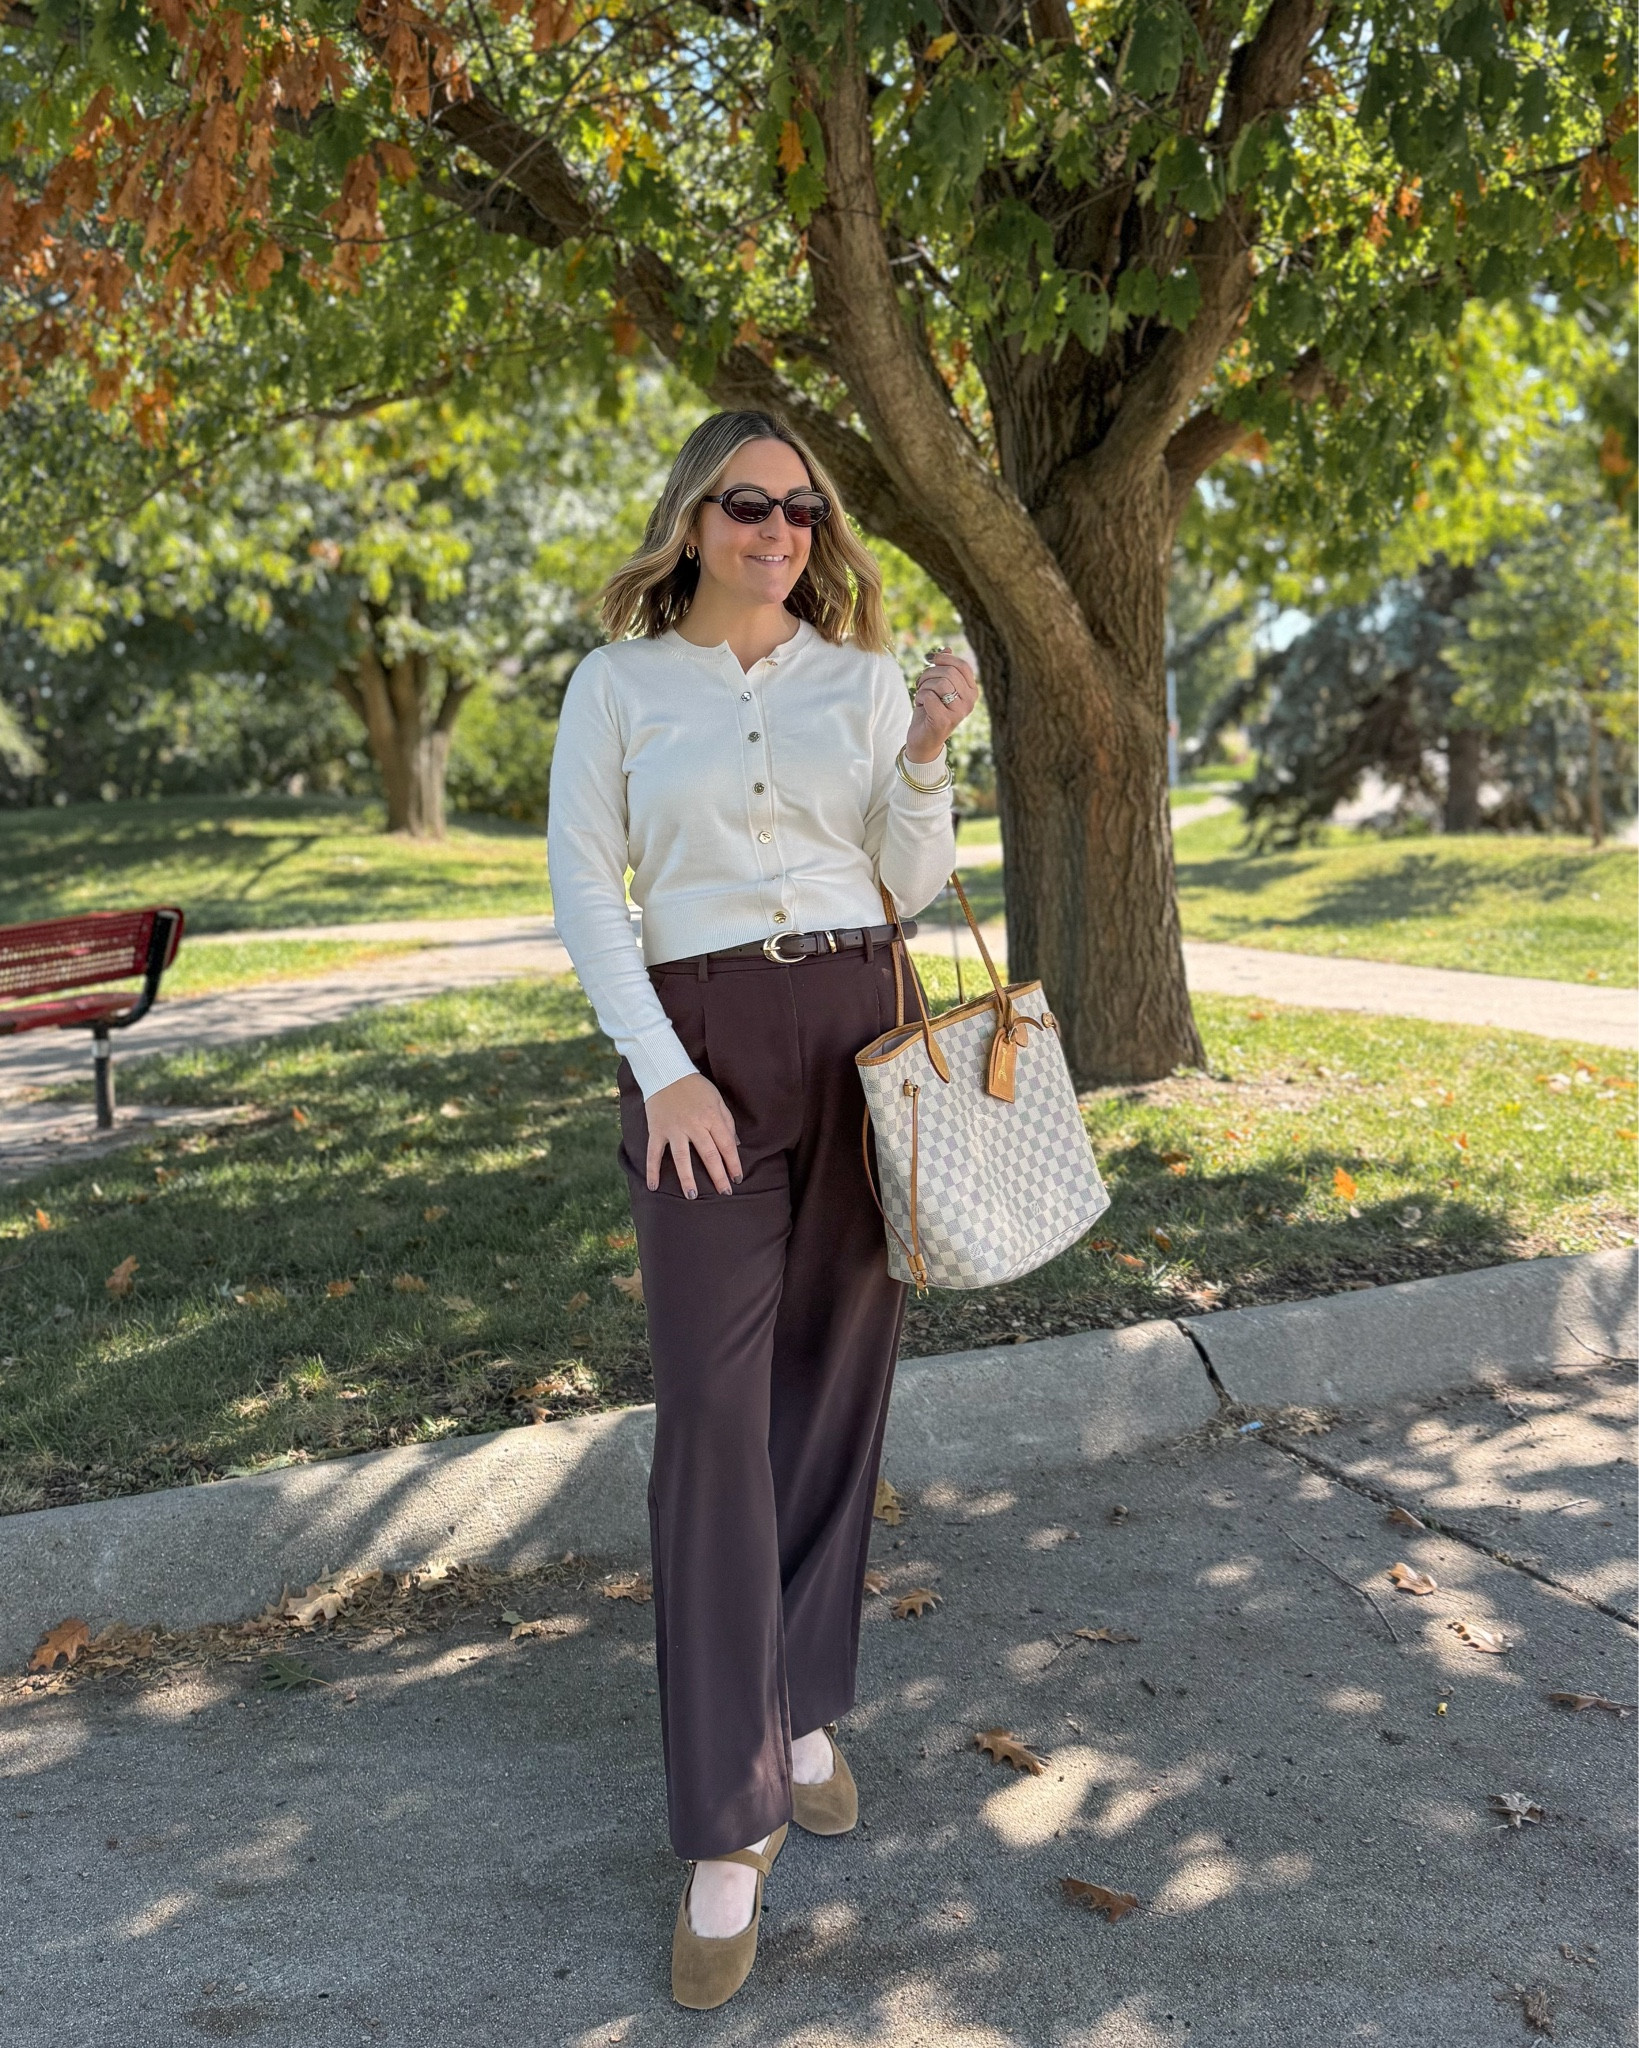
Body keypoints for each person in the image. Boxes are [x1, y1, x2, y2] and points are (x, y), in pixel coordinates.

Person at [546, 408, 978, 2009]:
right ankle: (728, 1833)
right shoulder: (617, 685)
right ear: (694, 516)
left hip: (861, 1026)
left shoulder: (863, 685)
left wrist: (927, 754)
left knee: (834, 1399)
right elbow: (591, 885)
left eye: (803, 509)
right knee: (715, 1420)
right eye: (750, 503)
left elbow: (911, 878)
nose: (780, 530)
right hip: (702, 1049)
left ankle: (797, 1707)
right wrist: (662, 1071)